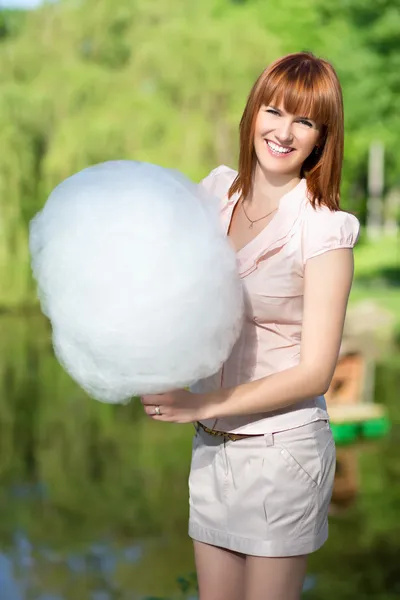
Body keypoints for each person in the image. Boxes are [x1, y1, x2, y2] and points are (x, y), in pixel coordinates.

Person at [141, 51, 360, 600]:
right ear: (253, 113)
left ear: (320, 138)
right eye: (274, 111)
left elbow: (315, 373)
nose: (284, 132)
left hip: (281, 453)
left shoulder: (324, 232)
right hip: (212, 451)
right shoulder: (215, 193)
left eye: (304, 121)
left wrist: (199, 403)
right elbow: (177, 295)